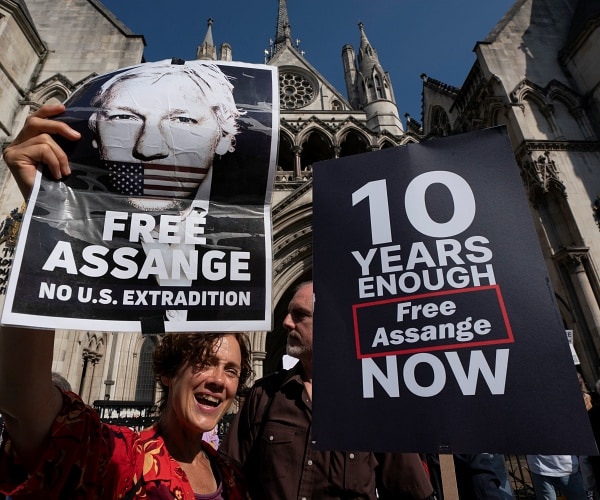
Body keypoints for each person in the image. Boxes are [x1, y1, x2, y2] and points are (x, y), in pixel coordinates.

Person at [0, 120, 253, 498]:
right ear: (167, 373)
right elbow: (25, 402)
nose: (219, 379)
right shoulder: (117, 456)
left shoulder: (233, 479)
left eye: (231, 370)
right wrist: (45, 216)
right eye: (203, 361)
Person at [219, 281, 435, 499]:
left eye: (299, 315)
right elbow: (229, 479)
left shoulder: (375, 400)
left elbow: (411, 492)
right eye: (288, 313)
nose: (286, 322)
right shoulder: (264, 395)